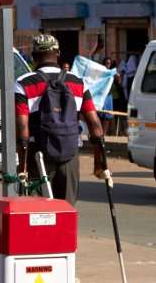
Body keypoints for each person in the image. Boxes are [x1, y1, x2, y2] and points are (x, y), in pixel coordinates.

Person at [15, 34, 105, 205]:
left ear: (33, 57)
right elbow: (95, 124)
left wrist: (23, 166)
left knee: (35, 212)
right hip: (70, 154)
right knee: (65, 211)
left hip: (37, 155)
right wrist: (100, 164)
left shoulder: (24, 83)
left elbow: (22, 127)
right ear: (58, 54)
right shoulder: (78, 83)